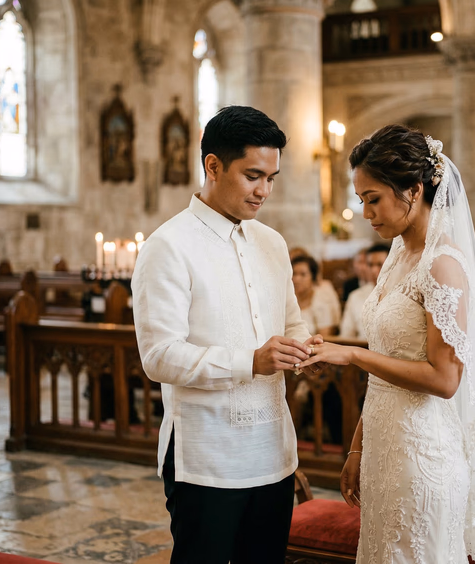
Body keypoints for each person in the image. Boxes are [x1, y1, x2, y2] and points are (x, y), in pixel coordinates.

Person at [300, 126, 475, 562]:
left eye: (373, 198)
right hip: (384, 445)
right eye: (361, 200)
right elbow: (387, 371)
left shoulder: (443, 265)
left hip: (423, 457)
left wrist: (353, 353)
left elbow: (446, 379)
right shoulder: (397, 257)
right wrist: (358, 446)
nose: (365, 211)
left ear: (413, 190)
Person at [132, 106, 323, 564]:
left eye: (272, 178)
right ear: (213, 166)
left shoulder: (273, 243)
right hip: (207, 460)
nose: (265, 191)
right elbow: (158, 356)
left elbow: (291, 321)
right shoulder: (168, 246)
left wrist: (305, 348)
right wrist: (250, 361)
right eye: (253, 175)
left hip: (274, 454)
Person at [340, 243, 390, 339]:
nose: (374, 270)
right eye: (370, 265)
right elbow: (346, 335)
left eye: (380, 265)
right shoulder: (355, 296)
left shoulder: (402, 293)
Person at [292, 253, 340, 335]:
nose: (297, 279)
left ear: (313, 277)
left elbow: (324, 337)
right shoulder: (287, 300)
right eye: (294, 274)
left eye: (303, 274)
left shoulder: (322, 301)